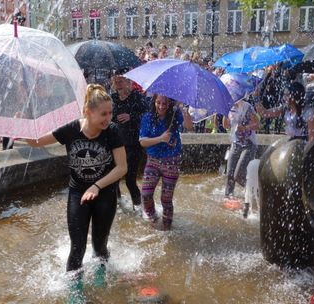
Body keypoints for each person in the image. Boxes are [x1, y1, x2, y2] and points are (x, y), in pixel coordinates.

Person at [27, 84, 127, 301]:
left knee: (99, 244)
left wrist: (97, 186)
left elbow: (122, 168)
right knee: (77, 246)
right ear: (87, 112)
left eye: (110, 113)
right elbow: (36, 142)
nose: (108, 118)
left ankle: (101, 270)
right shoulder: (71, 129)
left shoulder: (112, 132)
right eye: (103, 114)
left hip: (105, 194)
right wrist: (20, 129)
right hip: (77, 193)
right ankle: (74, 291)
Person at [139, 94, 193, 230]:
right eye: (158, 102)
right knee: (145, 194)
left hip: (172, 160)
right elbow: (143, 142)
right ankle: (152, 218)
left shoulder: (176, 115)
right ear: (154, 102)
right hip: (153, 160)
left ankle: (168, 229)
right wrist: (161, 138)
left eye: (164, 103)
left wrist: (184, 109)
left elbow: (189, 126)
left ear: (169, 104)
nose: (161, 106)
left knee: (166, 199)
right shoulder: (148, 118)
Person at [111, 70, 147, 208]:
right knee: (113, 179)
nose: (118, 83)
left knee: (130, 181)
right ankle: (119, 206)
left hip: (133, 144)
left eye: (121, 80)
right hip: (116, 144)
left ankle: (138, 208)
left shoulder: (137, 97)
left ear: (128, 82)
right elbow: (107, 116)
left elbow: (147, 116)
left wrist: (131, 116)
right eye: (115, 81)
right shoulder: (112, 98)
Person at [223, 93, 260, 199]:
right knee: (229, 174)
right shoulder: (229, 108)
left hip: (248, 144)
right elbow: (226, 125)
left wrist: (245, 127)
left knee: (238, 175)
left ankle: (256, 191)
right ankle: (228, 196)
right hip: (235, 143)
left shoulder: (247, 107)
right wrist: (224, 113)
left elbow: (257, 124)